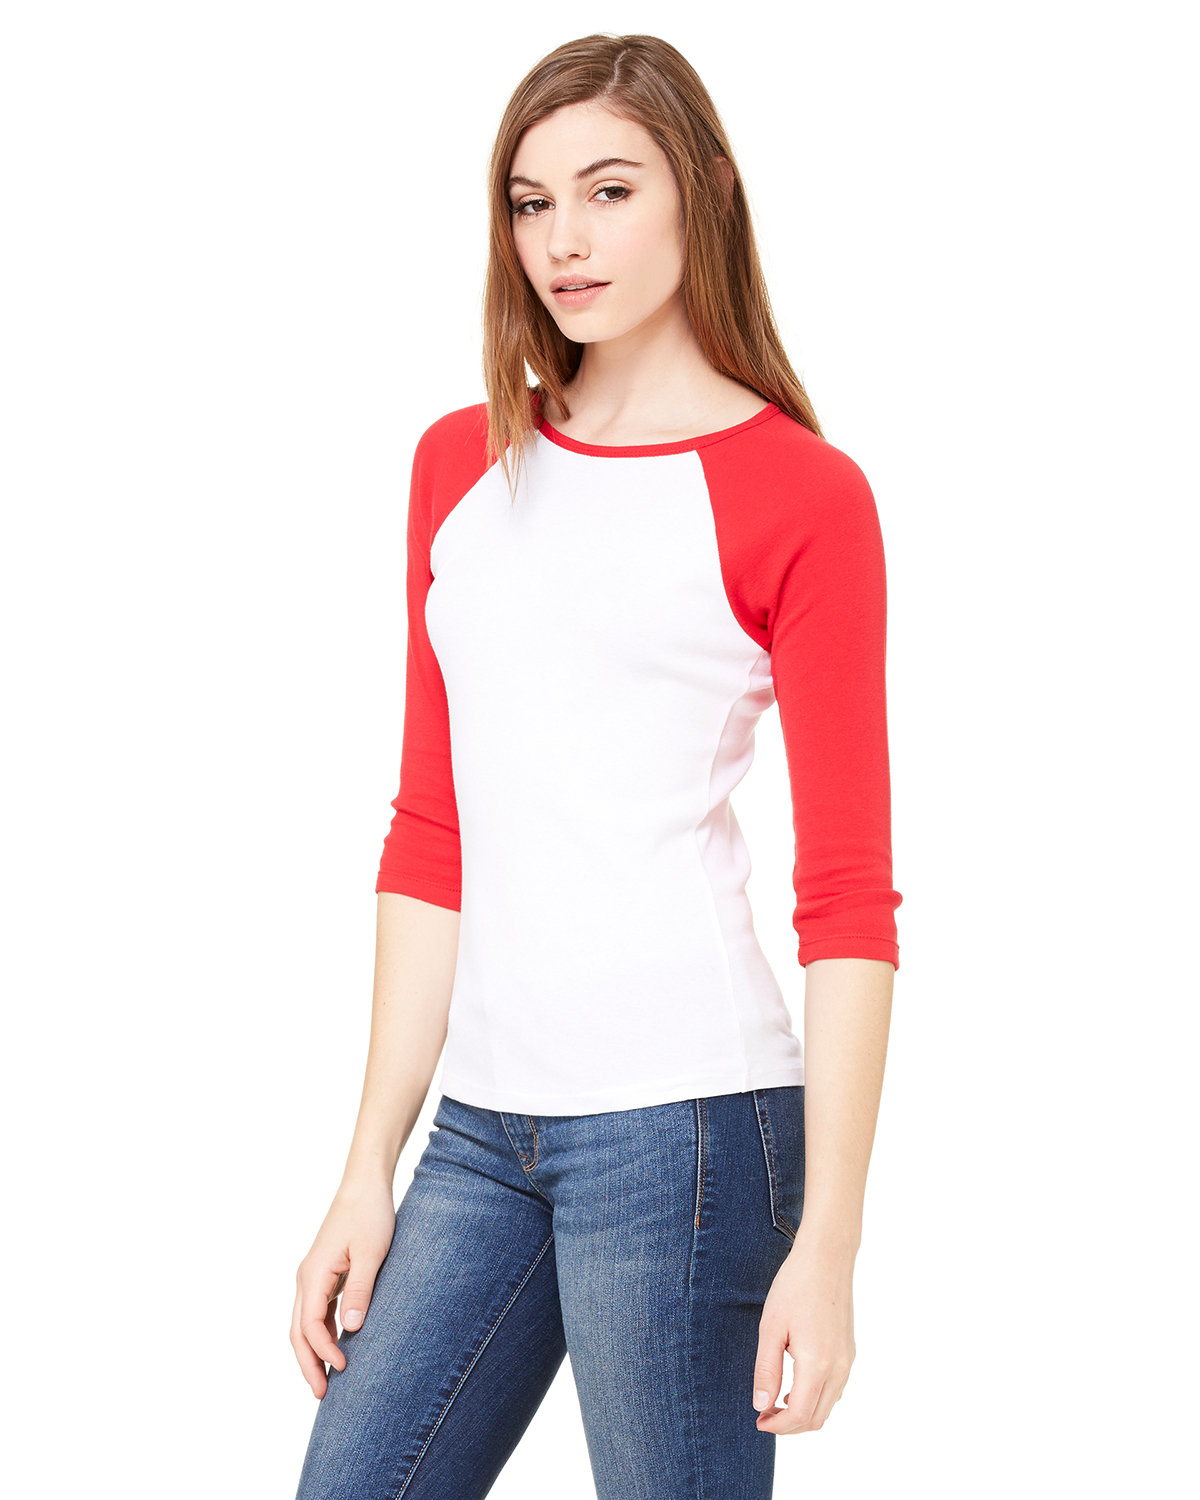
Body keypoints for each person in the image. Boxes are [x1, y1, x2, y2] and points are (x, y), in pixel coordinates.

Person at [290, 31, 901, 1500]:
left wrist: (829, 1243)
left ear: (705, 190)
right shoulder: (461, 465)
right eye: (531, 201)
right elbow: (430, 833)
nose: (563, 239)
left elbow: (848, 898)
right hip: (481, 1133)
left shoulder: (803, 495)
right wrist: (369, 1163)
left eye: (609, 191)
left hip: (689, 1134)